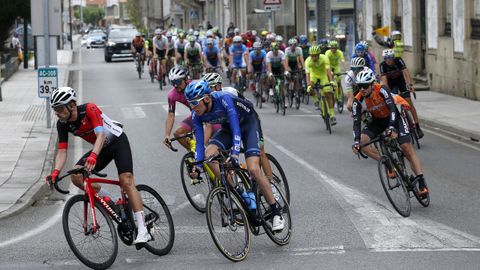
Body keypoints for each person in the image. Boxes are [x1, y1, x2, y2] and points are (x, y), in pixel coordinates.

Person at [47, 87, 152, 244]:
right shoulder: (62, 124)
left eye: (60, 108)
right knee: (76, 176)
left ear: (72, 105)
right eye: (55, 109)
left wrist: (93, 156)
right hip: (101, 148)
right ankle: (111, 201)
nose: (57, 113)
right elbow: (62, 152)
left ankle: (143, 230)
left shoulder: (89, 109)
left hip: (117, 142)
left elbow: (101, 134)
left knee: (126, 181)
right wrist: (55, 172)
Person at [185, 81, 285, 231]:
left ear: (206, 98)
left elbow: (237, 130)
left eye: (194, 103)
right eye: (189, 103)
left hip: (248, 124)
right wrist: (198, 167)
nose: (192, 107)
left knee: (253, 169)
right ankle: (239, 191)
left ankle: (276, 212)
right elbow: (199, 143)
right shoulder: (196, 114)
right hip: (228, 129)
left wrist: (235, 155)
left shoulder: (224, 98)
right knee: (209, 156)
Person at [351, 68, 429, 196]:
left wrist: (392, 127)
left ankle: (421, 180)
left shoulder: (381, 90)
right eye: (359, 86)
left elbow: (393, 108)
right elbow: (356, 122)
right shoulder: (358, 100)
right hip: (377, 120)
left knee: (406, 147)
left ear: (372, 84)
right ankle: (388, 164)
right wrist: (356, 142)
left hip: (394, 116)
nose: (362, 89)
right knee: (363, 142)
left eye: (365, 86)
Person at [379, 49, 423, 138]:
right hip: (390, 83)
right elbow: (384, 81)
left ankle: (417, 126)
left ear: (393, 57)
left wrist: (410, 85)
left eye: (390, 58)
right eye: (386, 58)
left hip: (400, 81)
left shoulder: (398, 60)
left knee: (408, 102)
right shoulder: (382, 65)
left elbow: (406, 73)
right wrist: (388, 94)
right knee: (391, 104)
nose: (388, 60)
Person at [163, 66, 196, 150]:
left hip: (210, 115)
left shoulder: (196, 86)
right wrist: (167, 135)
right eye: (173, 82)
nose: (176, 85)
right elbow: (171, 115)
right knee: (177, 134)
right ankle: (195, 154)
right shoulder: (172, 95)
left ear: (186, 79)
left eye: (178, 82)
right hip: (196, 116)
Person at [305, 45, 337, 124]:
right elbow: (308, 75)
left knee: (327, 94)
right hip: (314, 75)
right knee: (310, 88)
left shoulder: (324, 58)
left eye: (315, 56)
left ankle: (332, 116)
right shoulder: (308, 61)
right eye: (312, 56)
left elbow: (328, 70)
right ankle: (316, 100)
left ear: (319, 55)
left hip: (323, 75)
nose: (314, 58)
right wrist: (308, 85)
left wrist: (331, 81)